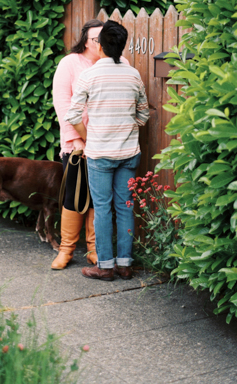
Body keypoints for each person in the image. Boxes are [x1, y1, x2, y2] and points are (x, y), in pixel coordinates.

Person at [65, 20, 149, 281]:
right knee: (126, 206)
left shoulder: (88, 76)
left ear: (100, 45)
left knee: (102, 209)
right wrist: (127, 127)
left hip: (99, 154)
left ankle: (104, 267)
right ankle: (124, 265)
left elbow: (73, 114)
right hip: (128, 153)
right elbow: (144, 114)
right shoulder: (133, 74)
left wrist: (90, 138)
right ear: (122, 47)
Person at [50, 19, 103, 269]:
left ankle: (94, 249)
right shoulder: (69, 63)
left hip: (105, 146)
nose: (100, 43)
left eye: (104, 38)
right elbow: (63, 105)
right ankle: (66, 250)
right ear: (84, 39)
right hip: (77, 146)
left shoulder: (113, 62)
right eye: (96, 38)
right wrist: (78, 141)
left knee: (97, 198)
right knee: (73, 195)